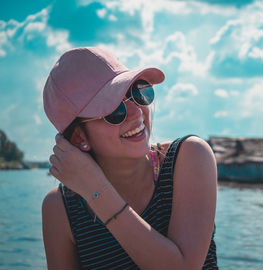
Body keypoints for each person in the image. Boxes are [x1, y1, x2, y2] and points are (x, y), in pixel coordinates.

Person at [41, 47, 218, 269]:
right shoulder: (60, 208)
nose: (136, 113)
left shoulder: (190, 157)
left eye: (137, 92)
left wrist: (96, 190)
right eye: (114, 110)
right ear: (78, 137)